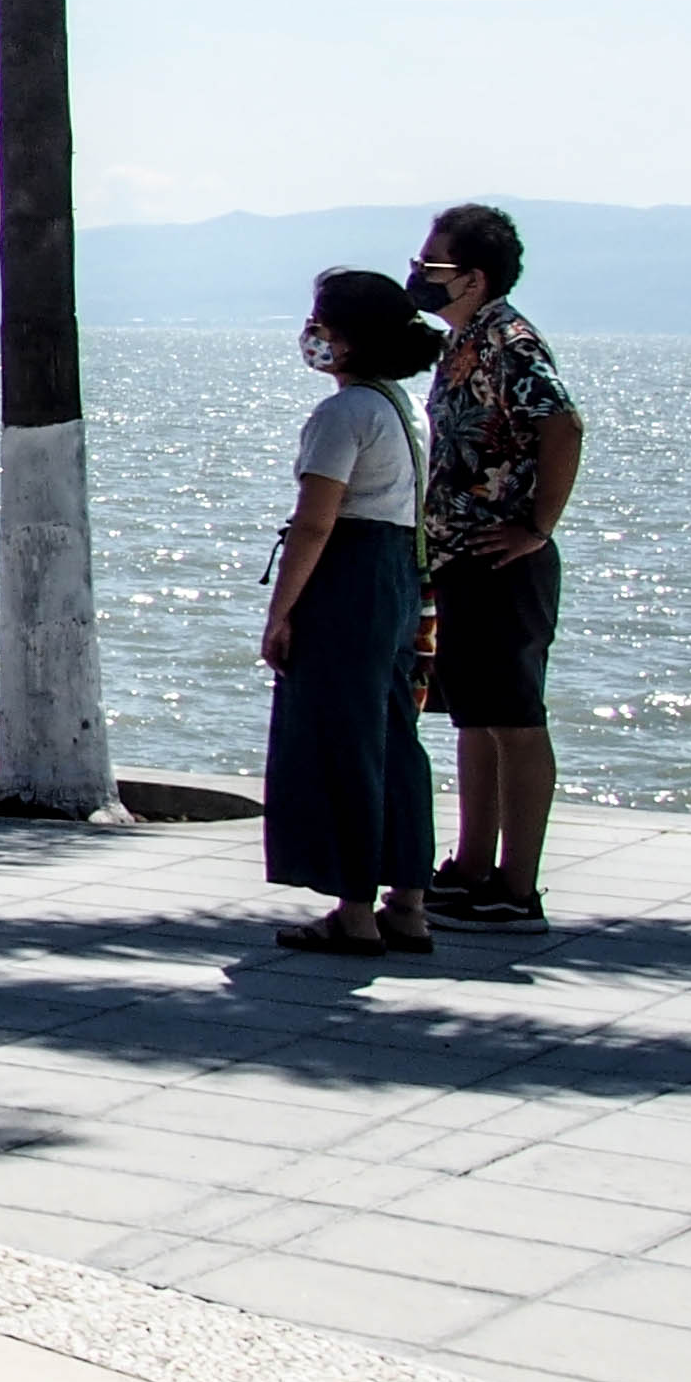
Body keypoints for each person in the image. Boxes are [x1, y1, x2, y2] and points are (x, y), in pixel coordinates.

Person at [259, 270, 444, 956]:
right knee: (395, 737)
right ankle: (408, 903)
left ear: (345, 336)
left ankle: (355, 908)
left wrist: (281, 614)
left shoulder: (343, 415)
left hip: (350, 577)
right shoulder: (400, 407)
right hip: (397, 575)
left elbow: (315, 521)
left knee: (342, 740)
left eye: (320, 322)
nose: (312, 335)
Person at [415, 202, 586, 927]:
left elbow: (562, 423)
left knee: (514, 720)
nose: (419, 277)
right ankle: (470, 865)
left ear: (474, 278)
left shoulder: (508, 342)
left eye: (434, 266)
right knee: (474, 720)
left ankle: (518, 886)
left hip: (500, 560)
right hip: (458, 556)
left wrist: (536, 526)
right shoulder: (462, 343)